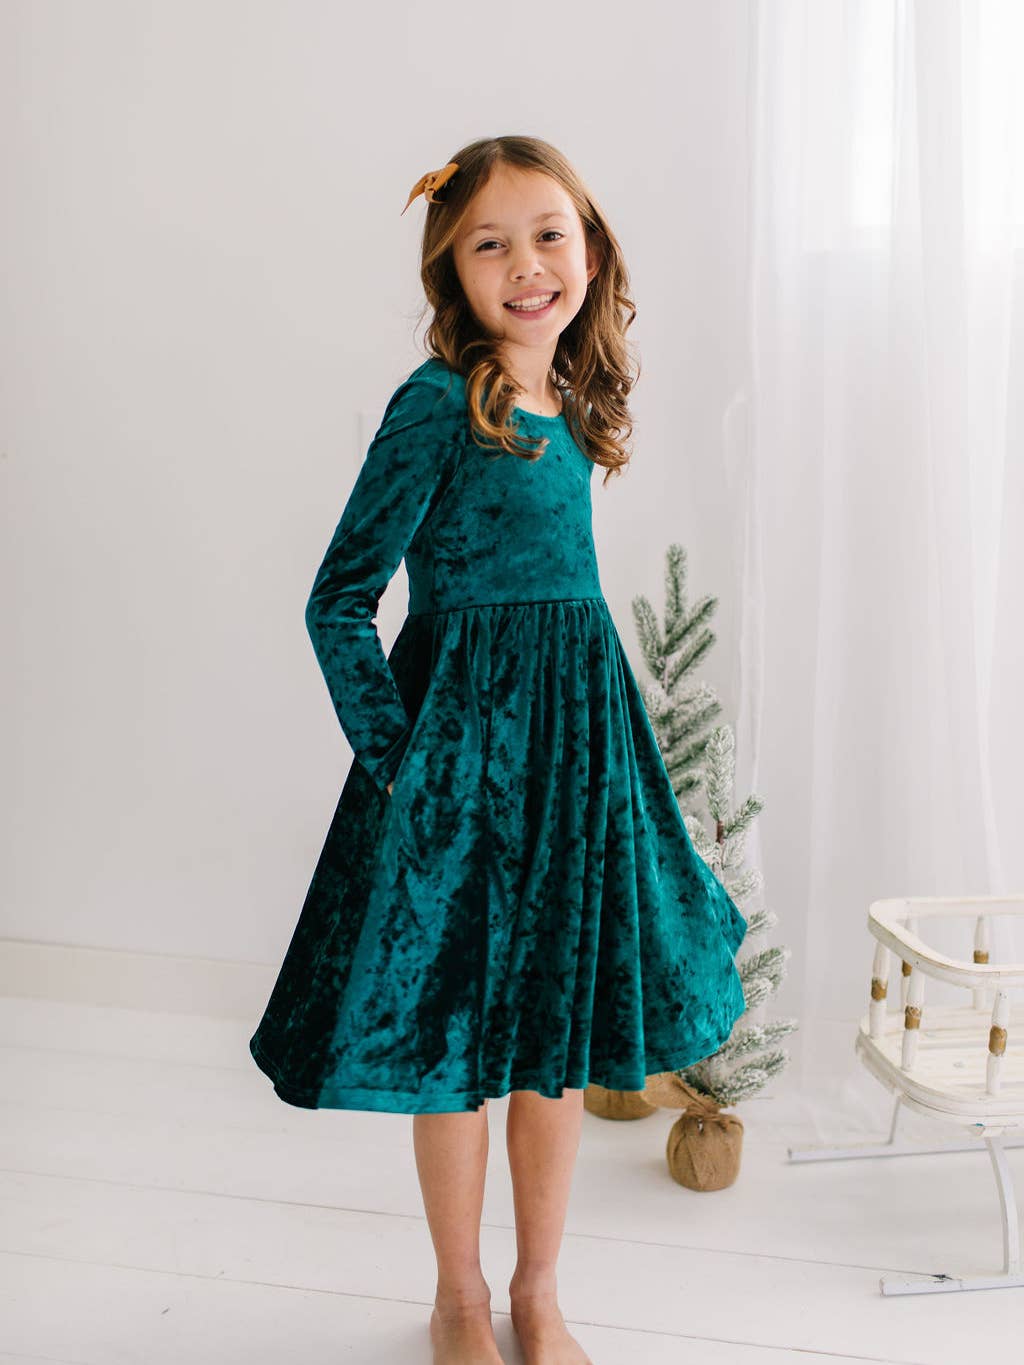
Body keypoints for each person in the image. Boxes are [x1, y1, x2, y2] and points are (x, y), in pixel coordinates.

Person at [248, 135, 748, 1365]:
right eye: (490, 244)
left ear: (591, 251)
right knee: (454, 1051)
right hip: (459, 779)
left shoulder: (570, 404)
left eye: (548, 235)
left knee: (552, 1054)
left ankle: (539, 1293)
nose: (526, 265)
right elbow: (338, 600)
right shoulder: (436, 405)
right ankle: (458, 1296)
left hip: (574, 762)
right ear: (453, 272)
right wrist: (400, 763)